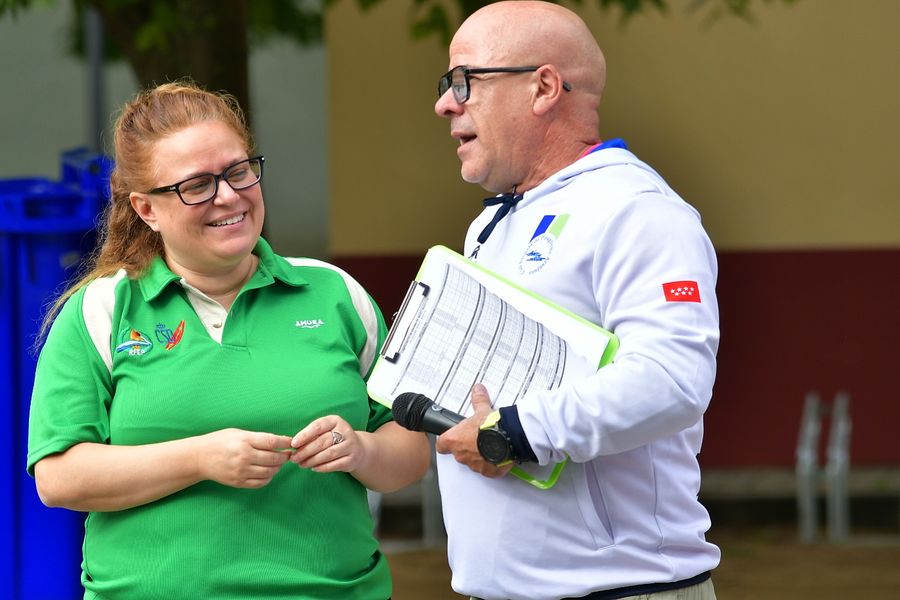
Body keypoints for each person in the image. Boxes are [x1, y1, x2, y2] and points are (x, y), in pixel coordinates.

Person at [27, 80, 430, 599]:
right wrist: (200, 459)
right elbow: (59, 478)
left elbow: (410, 451)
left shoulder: (334, 294)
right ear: (147, 209)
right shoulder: (100, 311)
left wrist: (362, 450)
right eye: (196, 185)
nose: (229, 196)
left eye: (238, 171)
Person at [432, 2, 720, 599]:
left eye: (464, 81)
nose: (445, 104)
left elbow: (673, 378)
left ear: (542, 87)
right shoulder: (495, 222)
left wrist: (511, 433)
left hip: (626, 588)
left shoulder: (637, 209)